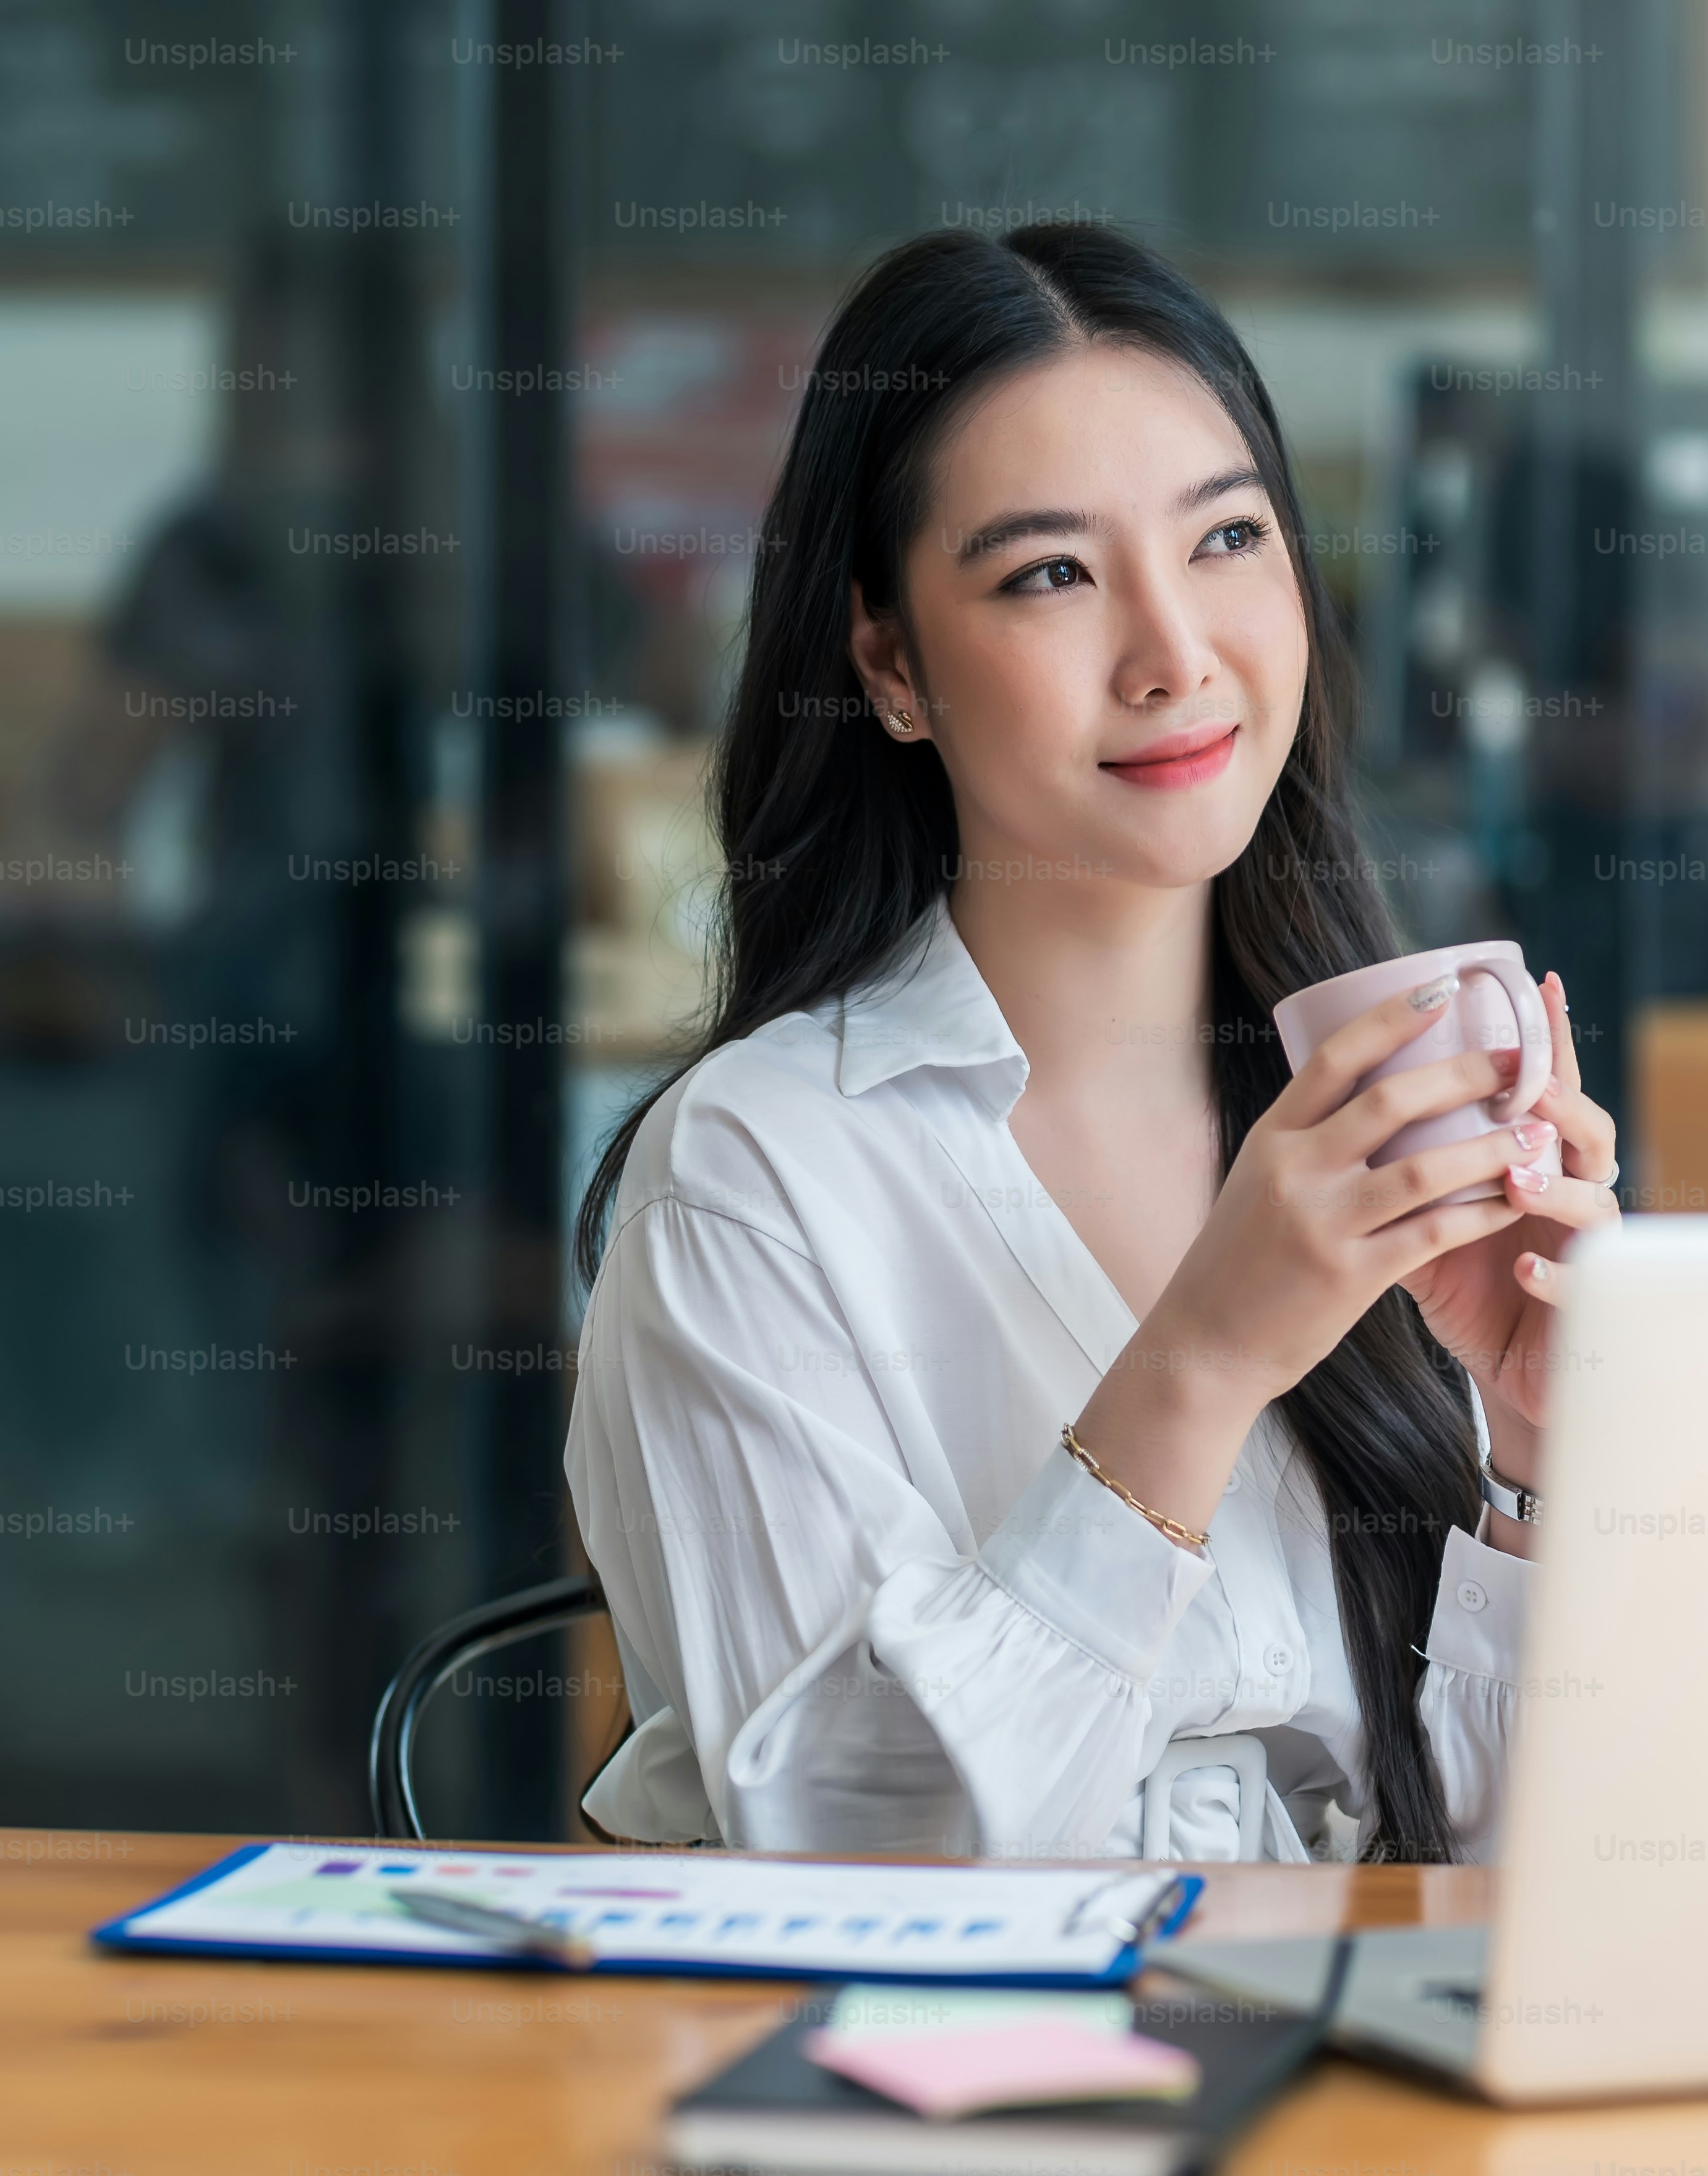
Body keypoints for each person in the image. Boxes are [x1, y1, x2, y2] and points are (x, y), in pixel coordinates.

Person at [562, 223, 1620, 1864]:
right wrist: (1199, 1362)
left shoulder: (1388, 1119)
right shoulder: (755, 1175)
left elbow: (1525, 1886)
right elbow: (842, 1864)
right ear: (890, 663)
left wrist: (1543, 1463)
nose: (1175, 653)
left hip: (1367, 2108)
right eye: (1050, 572)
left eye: (1227, 539)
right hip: (941, 2106)